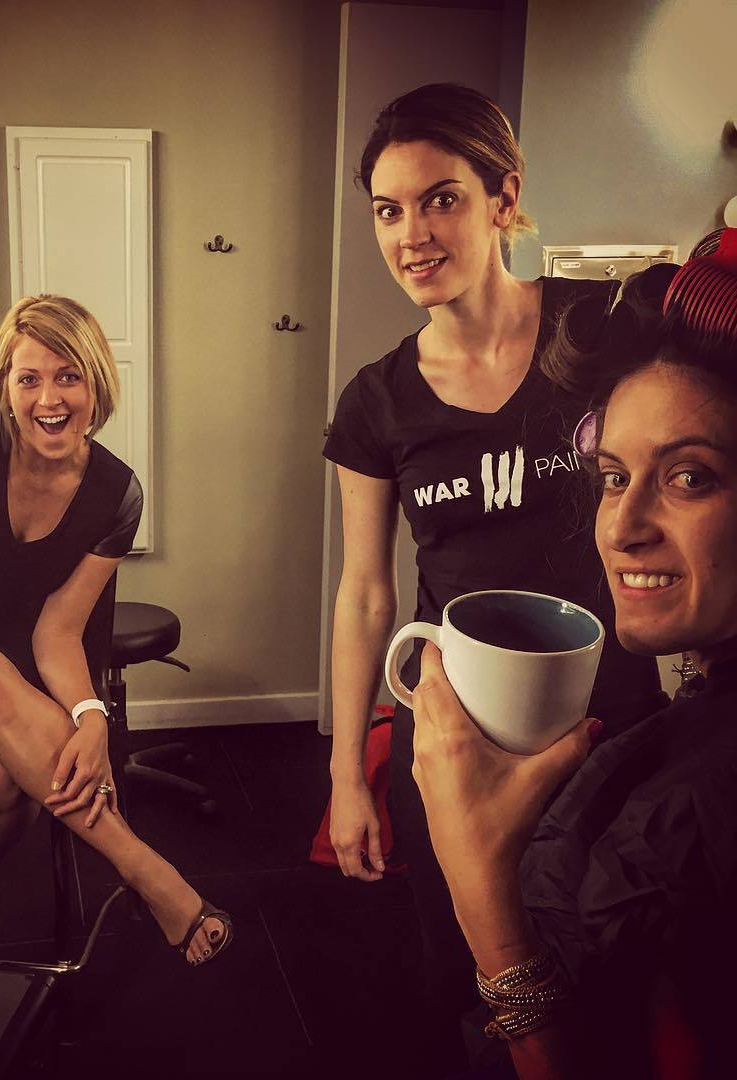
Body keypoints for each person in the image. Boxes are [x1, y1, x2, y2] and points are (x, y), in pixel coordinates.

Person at [321, 83, 663, 1063]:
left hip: (612, 722)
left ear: (504, 197)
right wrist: (346, 776)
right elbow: (366, 592)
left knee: (619, 972)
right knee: (481, 984)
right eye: (388, 210)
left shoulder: (598, 335)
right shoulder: (375, 402)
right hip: (457, 742)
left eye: (441, 199)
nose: (411, 235)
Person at [411, 232, 737, 1076]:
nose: (622, 528)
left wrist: (478, 881)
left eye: (690, 477)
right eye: (614, 477)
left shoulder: (702, 802)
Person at [0, 294, 232, 967]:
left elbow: (58, 631)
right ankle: (145, 869)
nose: (50, 398)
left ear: (96, 382)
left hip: (23, 663)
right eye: (29, 379)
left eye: (69, 376)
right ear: (4, 388)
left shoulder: (116, 492)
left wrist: (90, 716)